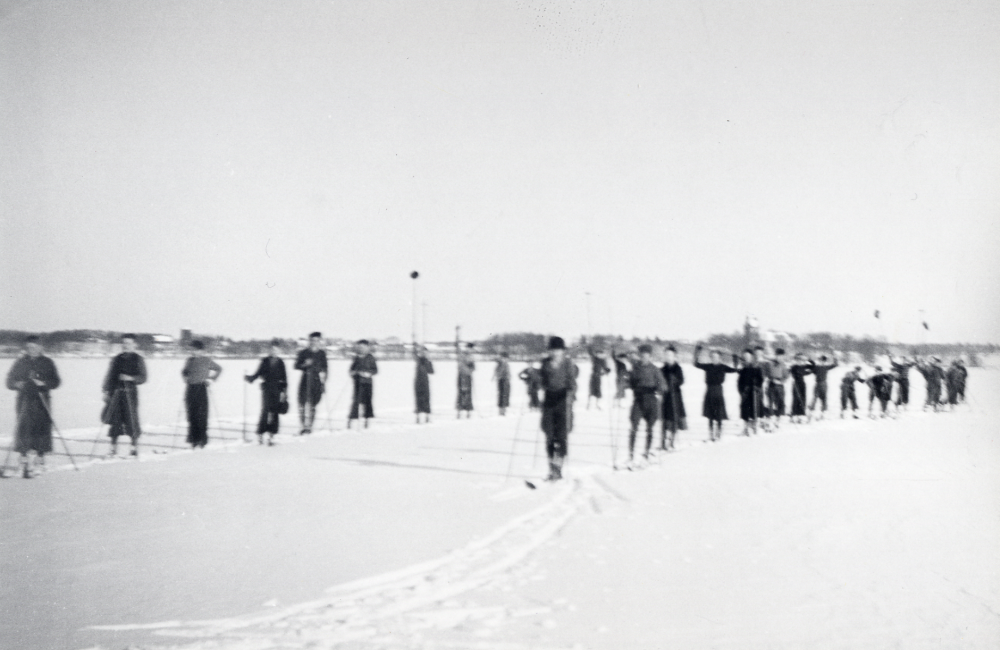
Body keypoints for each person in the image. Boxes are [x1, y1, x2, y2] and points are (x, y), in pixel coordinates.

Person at [5, 336, 60, 478]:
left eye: (34, 347)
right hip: (24, 400)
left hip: (41, 401)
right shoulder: (20, 362)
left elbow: (56, 382)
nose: (31, 350)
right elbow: (9, 381)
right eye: (29, 347)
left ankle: (40, 458)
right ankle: (23, 459)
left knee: (41, 428)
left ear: (41, 348)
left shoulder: (48, 362)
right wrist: (17, 384)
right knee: (23, 428)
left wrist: (43, 383)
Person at [102, 333, 147, 457]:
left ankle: (133, 446)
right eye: (124, 343)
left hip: (130, 393)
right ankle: (113, 447)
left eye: (129, 343)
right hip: (116, 392)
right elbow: (110, 375)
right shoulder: (116, 358)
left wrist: (131, 378)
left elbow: (143, 377)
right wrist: (106, 390)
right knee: (115, 421)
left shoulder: (139, 359)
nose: (126, 346)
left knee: (131, 420)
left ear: (134, 344)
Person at [539, 336, 576, 481]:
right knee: (548, 434)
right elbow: (541, 380)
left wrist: (570, 394)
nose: (555, 353)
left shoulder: (568, 363)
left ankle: (558, 467)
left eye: (558, 350)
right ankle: (551, 468)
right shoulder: (545, 363)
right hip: (549, 399)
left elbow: (572, 382)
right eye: (552, 350)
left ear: (562, 351)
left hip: (563, 400)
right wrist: (534, 381)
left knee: (562, 436)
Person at [627, 343, 667, 465]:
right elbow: (629, 381)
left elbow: (663, 385)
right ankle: (631, 454)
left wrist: (660, 388)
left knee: (650, 428)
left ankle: (647, 452)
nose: (645, 358)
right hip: (638, 400)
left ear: (650, 356)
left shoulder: (655, 370)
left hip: (651, 401)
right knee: (633, 427)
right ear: (640, 356)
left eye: (647, 356)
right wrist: (624, 383)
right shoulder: (635, 368)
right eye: (643, 355)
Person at [245, 339, 287, 445]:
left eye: (276, 350)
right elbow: (258, 373)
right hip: (267, 388)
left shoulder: (281, 362)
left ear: (279, 351)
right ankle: (260, 433)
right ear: (270, 350)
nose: (274, 351)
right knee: (265, 410)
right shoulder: (265, 361)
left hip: (277, 389)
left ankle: (272, 435)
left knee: (275, 412)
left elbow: (284, 379)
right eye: (272, 349)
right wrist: (250, 378)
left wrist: (284, 392)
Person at [181, 340, 222, 448]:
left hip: (201, 388)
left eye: (195, 350)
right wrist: (185, 376)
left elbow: (218, 369)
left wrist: (211, 379)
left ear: (201, 350)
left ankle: (202, 439)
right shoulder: (189, 360)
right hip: (190, 389)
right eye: (192, 350)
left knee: (202, 415)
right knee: (191, 415)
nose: (193, 352)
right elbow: (184, 371)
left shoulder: (206, 360)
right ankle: (194, 440)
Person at [693, 345, 738, 442]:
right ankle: (710, 434)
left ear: (720, 358)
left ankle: (718, 433)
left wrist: (735, 360)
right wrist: (697, 352)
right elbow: (696, 364)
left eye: (716, 357)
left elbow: (735, 370)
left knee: (719, 414)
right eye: (713, 357)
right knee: (710, 414)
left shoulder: (723, 367)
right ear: (711, 358)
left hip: (718, 391)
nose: (714, 359)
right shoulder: (708, 366)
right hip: (709, 391)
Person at [294, 332, 328, 434]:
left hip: (316, 381)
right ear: (309, 341)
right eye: (312, 340)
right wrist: (304, 364)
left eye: (317, 341)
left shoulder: (322, 354)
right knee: (302, 404)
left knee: (313, 404)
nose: (314, 343)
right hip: (305, 380)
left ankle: (310, 427)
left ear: (319, 342)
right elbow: (296, 366)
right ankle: (304, 426)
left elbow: (326, 368)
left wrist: (324, 379)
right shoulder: (303, 353)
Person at [659, 345, 686, 451]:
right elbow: (658, 381)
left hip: (675, 396)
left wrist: (675, 380)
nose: (668, 357)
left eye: (670, 355)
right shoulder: (662, 369)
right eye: (666, 355)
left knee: (674, 418)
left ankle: (671, 441)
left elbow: (681, 381)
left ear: (674, 356)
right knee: (664, 419)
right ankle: (662, 441)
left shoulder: (678, 368)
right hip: (665, 397)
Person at [348, 339, 378, 428]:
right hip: (357, 383)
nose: (361, 349)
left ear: (367, 348)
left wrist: (367, 374)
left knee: (367, 402)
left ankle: (367, 421)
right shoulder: (356, 358)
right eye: (359, 347)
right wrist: (353, 373)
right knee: (356, 401)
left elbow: (375, 370)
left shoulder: (370, 357)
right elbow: (351, 369)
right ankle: (353, 421)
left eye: (363, 347)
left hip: (367, 383)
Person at [736, 348, 765, 435]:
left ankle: (755, 427)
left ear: (751, 357)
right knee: (745, 411)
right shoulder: (742, 368)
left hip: (754, 392)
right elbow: (739, 381)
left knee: (754, 410)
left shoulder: (756, 367)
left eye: (748, 356)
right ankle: (746, 428)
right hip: (745, 392)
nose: (747, 358)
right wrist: (741, 391)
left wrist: (757, 385)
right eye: (745, 356)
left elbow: (761, 379)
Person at [764, 348, 789, 429]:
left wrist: (781, 381)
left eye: (781, 356)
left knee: (780, 403)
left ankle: (778, 421)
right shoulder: (770, 364)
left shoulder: (784, 365)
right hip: (771, 385)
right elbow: (766, 373)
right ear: (776, 356)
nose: (780, 358)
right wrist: (771, 378)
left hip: (780, 386)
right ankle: (769, 421)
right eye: (778, 356)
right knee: (770, 403)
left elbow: (786, 376)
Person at [808, 354, 838, 420]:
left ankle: (823, 414)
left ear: (825, 361)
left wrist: (835, 358)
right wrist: (810, 360)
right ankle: (811, 413)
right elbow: (811, 369)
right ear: (819, 361)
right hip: (817, 384)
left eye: (823, 361)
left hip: (824, 384)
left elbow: (835, 365)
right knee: (815, 398)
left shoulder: (826, 367)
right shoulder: (816, 367)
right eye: (821, 360)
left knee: (824, 399)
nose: (822, 362)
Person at [787, 353, 813, 424]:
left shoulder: (804, 366)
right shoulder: (793, 367)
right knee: (796, 399)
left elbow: (812, 366)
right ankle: (794, 415)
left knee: (803, 399)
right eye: (798, 359)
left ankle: (801, 415)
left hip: (802, 384)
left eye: (801, 360)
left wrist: (808, 359)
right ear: (796, 360)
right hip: (795, 384)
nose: (800, 361)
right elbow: (789, 372)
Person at [414, 345, 434, 424]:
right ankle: (418, 417)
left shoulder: (427, 361)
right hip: (418, 382)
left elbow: (431, 372)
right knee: (418, 399)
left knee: (426, 399)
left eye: (425, 352)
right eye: (421, 352)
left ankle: (427, 417)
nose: (423, 353)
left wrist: (429, 362)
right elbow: (414, 353)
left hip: (425, 382)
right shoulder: (418, 359)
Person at [456, 343, 476, 418]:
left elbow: (474, 368)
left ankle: (468, 412)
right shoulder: (462, 355)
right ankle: (459, 413)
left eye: (471, 349)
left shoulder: (472, 356)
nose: (470, 350)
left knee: (468, 394)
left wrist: (471, 367)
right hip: (462, 376)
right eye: (469, 348)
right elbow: (460, 366)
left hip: (468, 376)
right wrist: (468, 365)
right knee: (461, 393)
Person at [493, 352, 511, 416]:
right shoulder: (501, 363)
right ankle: (501, 411)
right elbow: (497, 371)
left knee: (505, 394)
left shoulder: (505, 363)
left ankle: (503, 410)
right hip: (503, 380)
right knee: (502, 395)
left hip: (506, 380)